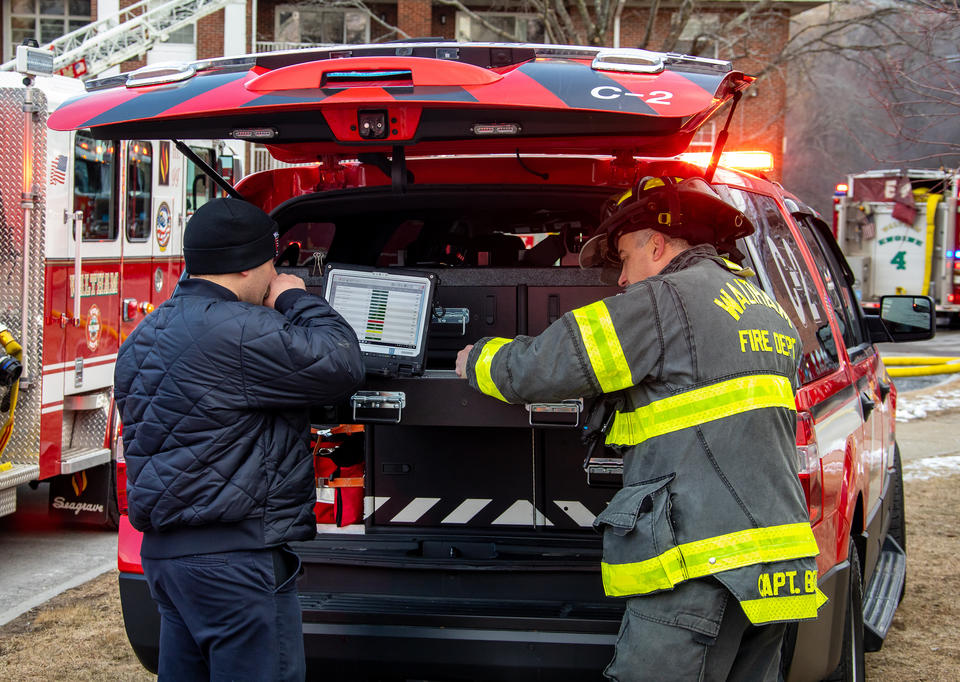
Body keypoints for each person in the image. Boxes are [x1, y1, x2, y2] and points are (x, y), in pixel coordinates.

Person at [455, 177, 826, 680]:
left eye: (625, 257)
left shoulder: (663, 300)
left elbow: (540, 368)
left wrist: (476, 357)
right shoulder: (766, 307)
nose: (623, 279)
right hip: (775, 561)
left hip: (699, 563)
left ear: (657, 244)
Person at [114, 198, 364, 681]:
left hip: (167, 561)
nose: (274, 274)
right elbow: (340, 362)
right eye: (273, 265)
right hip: (234, 562)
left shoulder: (144, 334)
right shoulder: (244, 330)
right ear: (250, 265)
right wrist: (295, 297)